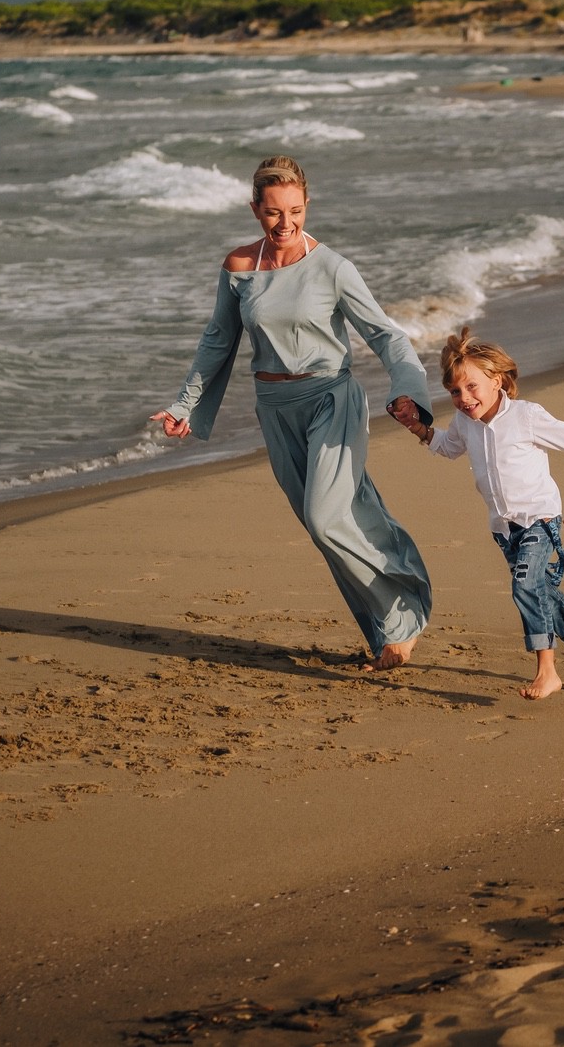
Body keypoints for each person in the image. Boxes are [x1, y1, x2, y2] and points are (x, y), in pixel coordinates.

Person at [150, 155, 435, 671]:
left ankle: (405, 608)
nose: (286, 224)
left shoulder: (333, 267)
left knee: (325, 517)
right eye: (274, 213)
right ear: (255, 208)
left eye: (296, 211)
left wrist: (410, 390)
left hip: (331, 398)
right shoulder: (239, 268)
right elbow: (218, 341)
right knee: (331, 522)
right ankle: (382, 637)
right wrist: (184, 405)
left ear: (308, 204)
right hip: (275, 408)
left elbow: (385, 334)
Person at [394, 328, 564, 699]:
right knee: (542, 590)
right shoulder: (466, 424)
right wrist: (415, 426)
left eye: (472, 387)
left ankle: (547, 671)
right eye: (455, 391)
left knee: (525, 586)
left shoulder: (526, 416)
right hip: (504, 528)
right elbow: (448, 447)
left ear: (497, 381)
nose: (464, 398)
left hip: (540, 518)